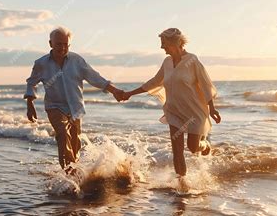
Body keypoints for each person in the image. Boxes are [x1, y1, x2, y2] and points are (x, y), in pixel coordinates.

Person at [120, 28, 221, 188]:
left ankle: (205, 145)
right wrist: (131, 93)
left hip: (194, 112)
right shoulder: (167, 63)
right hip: (174, 110)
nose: (162, 47)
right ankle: (182, 183)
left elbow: (205, 84)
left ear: (175, 43)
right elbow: (154, 82)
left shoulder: (192, 61)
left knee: (193, 148)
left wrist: (212, 108)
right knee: (177, 149)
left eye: (164, 43)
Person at [24, 26, 124, 174]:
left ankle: (75, 172)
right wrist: (30, 103)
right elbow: (32, 82)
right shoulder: (41, 63)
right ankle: (70, 173)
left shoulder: (76, 60)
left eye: (66, 44)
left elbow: (94, 77)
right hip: (54, 106)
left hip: (75, 108)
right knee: (63, 135)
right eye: (59, 44)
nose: (63, 47)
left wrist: (114, 90)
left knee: (75, 142)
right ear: (50, 43)